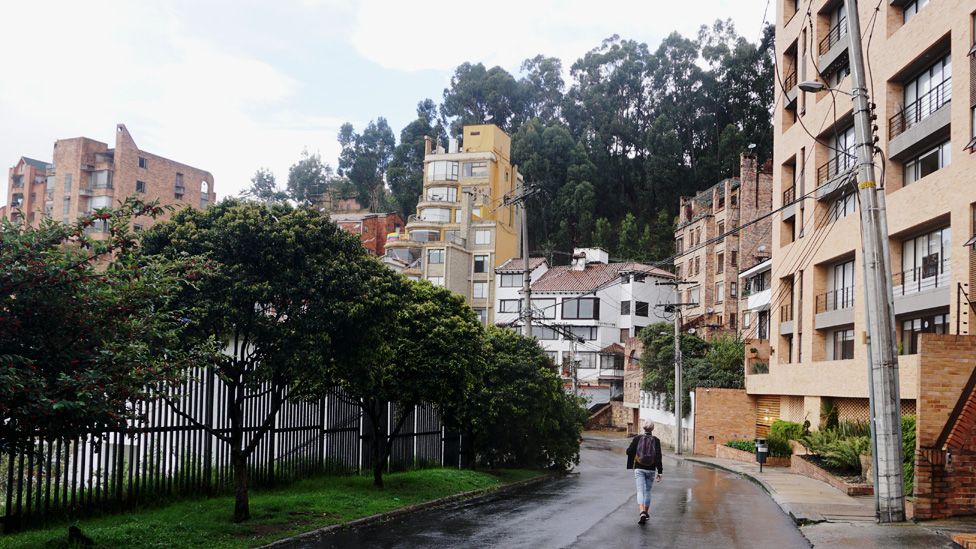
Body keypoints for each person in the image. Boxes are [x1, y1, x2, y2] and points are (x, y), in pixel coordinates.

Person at [626, 419, 663, 525]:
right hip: (651, 469)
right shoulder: (656, 440)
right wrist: (660, 472)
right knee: (648, 491)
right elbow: (658, 457)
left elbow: (629, 451)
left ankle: (641, 511)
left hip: (639, 468)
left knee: (640, 490)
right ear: (653, 428)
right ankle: (646, 513)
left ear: (643, 427)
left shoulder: (637, 438)